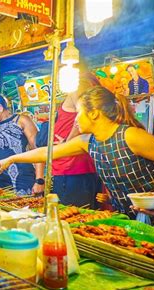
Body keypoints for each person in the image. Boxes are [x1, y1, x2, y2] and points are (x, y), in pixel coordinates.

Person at [0, 86, 154, 229]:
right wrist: (12, 159)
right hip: (132, 216)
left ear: (94, 114)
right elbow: (47, 152)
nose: (76, 119)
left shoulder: (130, 136)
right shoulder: (87, 141)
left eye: (79, 112)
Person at [36, 71, 101, 208]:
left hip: (77, 172)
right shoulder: (60, 109)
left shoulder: (80, 85)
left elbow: (83, 114)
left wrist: (67, 141)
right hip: (67, 172)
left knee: (76, 219)